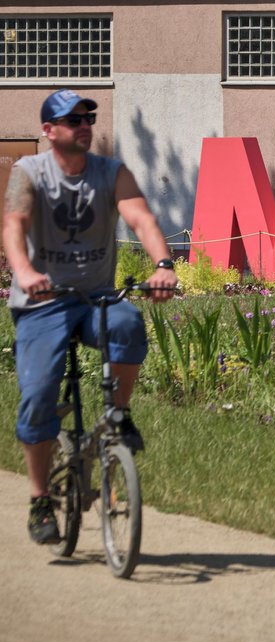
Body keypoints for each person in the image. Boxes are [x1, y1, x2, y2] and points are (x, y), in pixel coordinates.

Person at [2, 89, 178, 545]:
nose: (84, 125)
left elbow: (140, 219)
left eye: (88, 117)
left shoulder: (111, 172)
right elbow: (14, 225)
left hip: (96, 295)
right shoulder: (28, 173)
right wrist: (25, 272)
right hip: (44, 300)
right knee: (40, 396)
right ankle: (40, 496)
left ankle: (119, 416)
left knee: (129, 325)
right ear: (49, 131)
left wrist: (163, 265)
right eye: (72, 119)